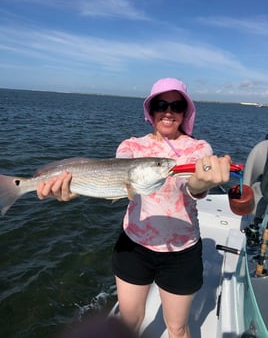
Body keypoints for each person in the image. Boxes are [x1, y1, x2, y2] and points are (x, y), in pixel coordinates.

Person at [37, 78, 231, 338]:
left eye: (177, 105)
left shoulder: (199, 148)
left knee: (177, 328)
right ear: (151, 111)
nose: (168, 111)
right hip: (134, 245)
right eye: (161, 104)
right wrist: (73, 188)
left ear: (186, 112)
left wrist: (201, 182)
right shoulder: (130, 146)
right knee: (129, 322)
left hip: (181, 250)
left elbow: (193, 186)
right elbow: (115, 179)